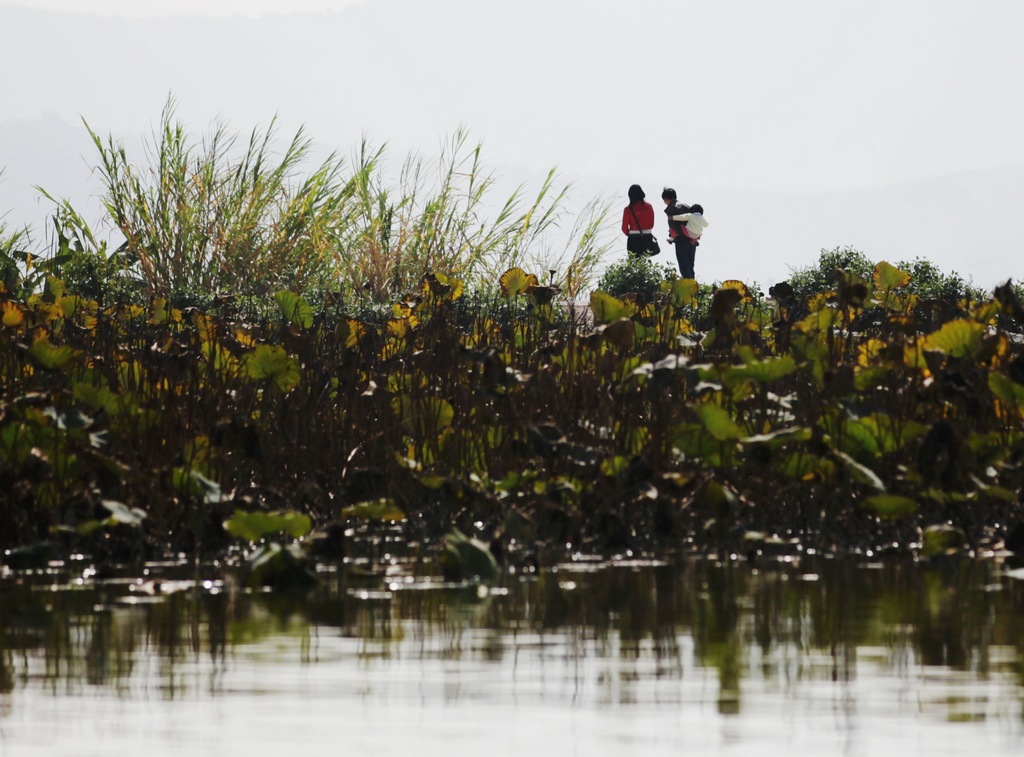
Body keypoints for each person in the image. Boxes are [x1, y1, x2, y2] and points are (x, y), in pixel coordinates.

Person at [661, 187, 695, 279]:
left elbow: (674, 227)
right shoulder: (687, 206)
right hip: (692, 239)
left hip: (681, 241)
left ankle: (688, 288)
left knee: (684, 267)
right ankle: (694, 289)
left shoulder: (670, 209)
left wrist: (672, 238)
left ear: (666, 199)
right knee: (691, 266)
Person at [621, 184, 655, 256]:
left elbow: (624, 228)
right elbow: (652, 224)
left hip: (634, 239)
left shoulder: (628, 209)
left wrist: (631, 234)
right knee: (645, 262)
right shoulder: (649, 206)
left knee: (634, 263)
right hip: (647, 237)